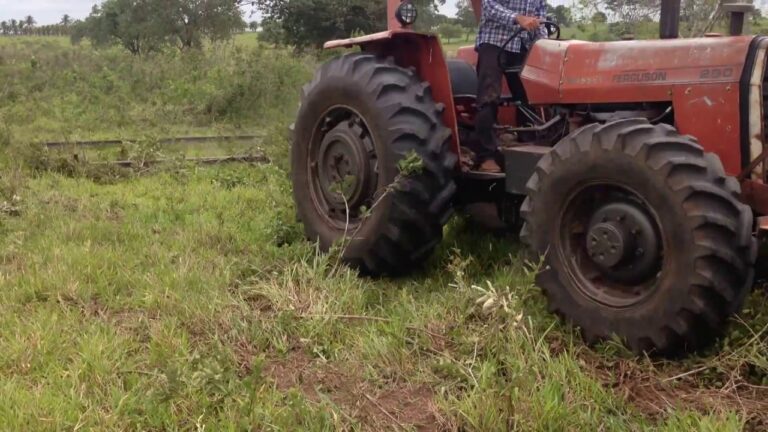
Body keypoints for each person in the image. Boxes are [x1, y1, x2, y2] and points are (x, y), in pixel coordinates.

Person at [473, 0, 548, 173]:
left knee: (527, 96)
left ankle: (528, 144)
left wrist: (544, 43)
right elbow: (489, 6)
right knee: (489, 95)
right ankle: (487, 156)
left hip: (522, 44)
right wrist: (517, 18)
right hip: (494, 41)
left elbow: (540, 19)